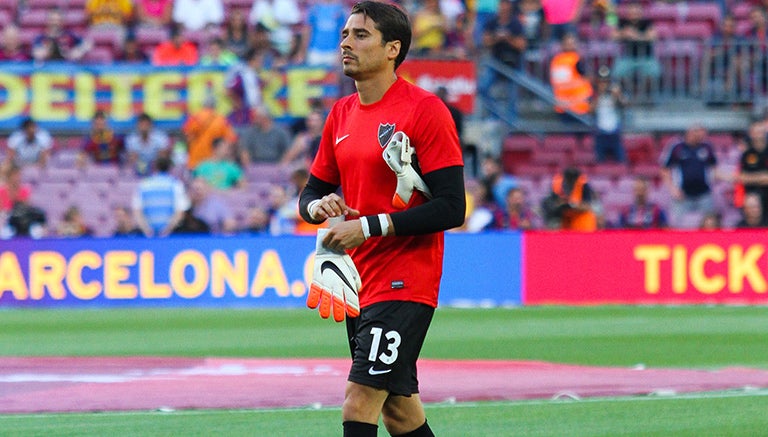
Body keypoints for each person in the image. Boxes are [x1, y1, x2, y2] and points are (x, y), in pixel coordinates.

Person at [297, 3, 465, 436]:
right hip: (359, 279)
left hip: (406, 279)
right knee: (400, 412)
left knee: (360, 400)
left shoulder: (425, 111)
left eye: (360, 34)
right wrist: (320, 209)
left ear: (393, 48)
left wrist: (369, 226)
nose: (345, 42)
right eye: (345, 33)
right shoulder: (341, 115)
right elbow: (311, 193)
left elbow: (452, 206)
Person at [660, 124, 722, 229]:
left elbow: (714, 167)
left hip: (704, 193)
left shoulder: (707, 147)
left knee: (711, 222)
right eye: (699, 131)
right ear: (690, 132)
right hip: (683, 193)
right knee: (675, 224)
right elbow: (665, 169)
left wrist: (714, 182)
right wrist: (672, 188)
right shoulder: (677, 147)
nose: (702, 134)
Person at [477, 0, 526, 122]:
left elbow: (522, 45)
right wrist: (496, 38)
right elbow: (485, 42)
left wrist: (508, 38)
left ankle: (511, 124)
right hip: (496, 64)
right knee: (482, 87)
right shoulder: (492, 23)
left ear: (509, 7)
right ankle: (498, 115)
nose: (503, 7)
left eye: (506, 4)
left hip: (512, 64)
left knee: (512, 97)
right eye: (501, 4)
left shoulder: (516, 24)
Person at [609, 1, 661, 97]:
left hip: (646, 57)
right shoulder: (623, 22)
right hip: (628, 57)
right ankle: (631, 95)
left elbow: (653, 36)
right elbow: (613, 36)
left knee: (654, 72)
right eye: (632, 11)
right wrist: (624, 34)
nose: (634, 13)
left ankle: (645, 95)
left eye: (637, 10)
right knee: (618, 72)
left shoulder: (647, 23)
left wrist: (636, 36)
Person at [132, 156, 190, 237]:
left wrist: (147, 231)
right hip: (169, 235)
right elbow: (179, 212)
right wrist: (166, 231)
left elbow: (137, 211)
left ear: (155, 167)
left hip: (148, 236)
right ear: (170, 168)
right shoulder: (175, 185)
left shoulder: (144, 185)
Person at [182, 96, 238, 170]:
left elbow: (185, 135)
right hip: (213, 163)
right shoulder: (221, 120)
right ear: (215, 106)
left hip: (195, 162)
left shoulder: (195, 117)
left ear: (203, 105)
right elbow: (232, 139)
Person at [549, 33, 593, 120]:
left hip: (562, 105)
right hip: (580, 106)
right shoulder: (575, 59)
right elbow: (587, 76)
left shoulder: (555, 60)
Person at [541, 166, 599, 231]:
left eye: (572, 179)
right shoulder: (558, 184)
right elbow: (553, 203)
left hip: (582, 223)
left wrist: (571, 205)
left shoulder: (584, 186)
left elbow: (587, 206)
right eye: (568, 179)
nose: (570, 181)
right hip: (566, 224)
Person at [591, 65, 627, 163]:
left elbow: (625, 104)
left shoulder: (615, 93)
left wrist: (617, 95)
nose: (604, 84)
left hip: (615, 132)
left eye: (606, 81)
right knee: (599, 162)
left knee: (621, 161)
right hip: (600, 133)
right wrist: (599, 94)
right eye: (602, 81)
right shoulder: (593, 94)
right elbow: (591, 110)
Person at [300, 0, 348, 67]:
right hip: (315, 52)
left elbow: (343, 33)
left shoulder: (340, 10)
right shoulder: (314, 9)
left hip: (333, 53)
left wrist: (340, 53)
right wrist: (303, 52)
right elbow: (307, 32)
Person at [125, 112, 171, 176]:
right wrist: (144, 167)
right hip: (139, 168)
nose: (144, 128)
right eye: (142, 125)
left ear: (151, 125)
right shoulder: (131, 139)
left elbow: (163, 157)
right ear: (138, 125)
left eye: (146, 125)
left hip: (157, 167)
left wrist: (153, 167)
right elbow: (133, 159)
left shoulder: (161, 137)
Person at [736, 121, 768, 213]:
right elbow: (742, 177)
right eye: (755, 132)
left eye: (760, 131)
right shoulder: (747, 154)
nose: (758, 135)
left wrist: (751, 178)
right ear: (750, 133)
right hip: (751, 198)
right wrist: (762, 177)